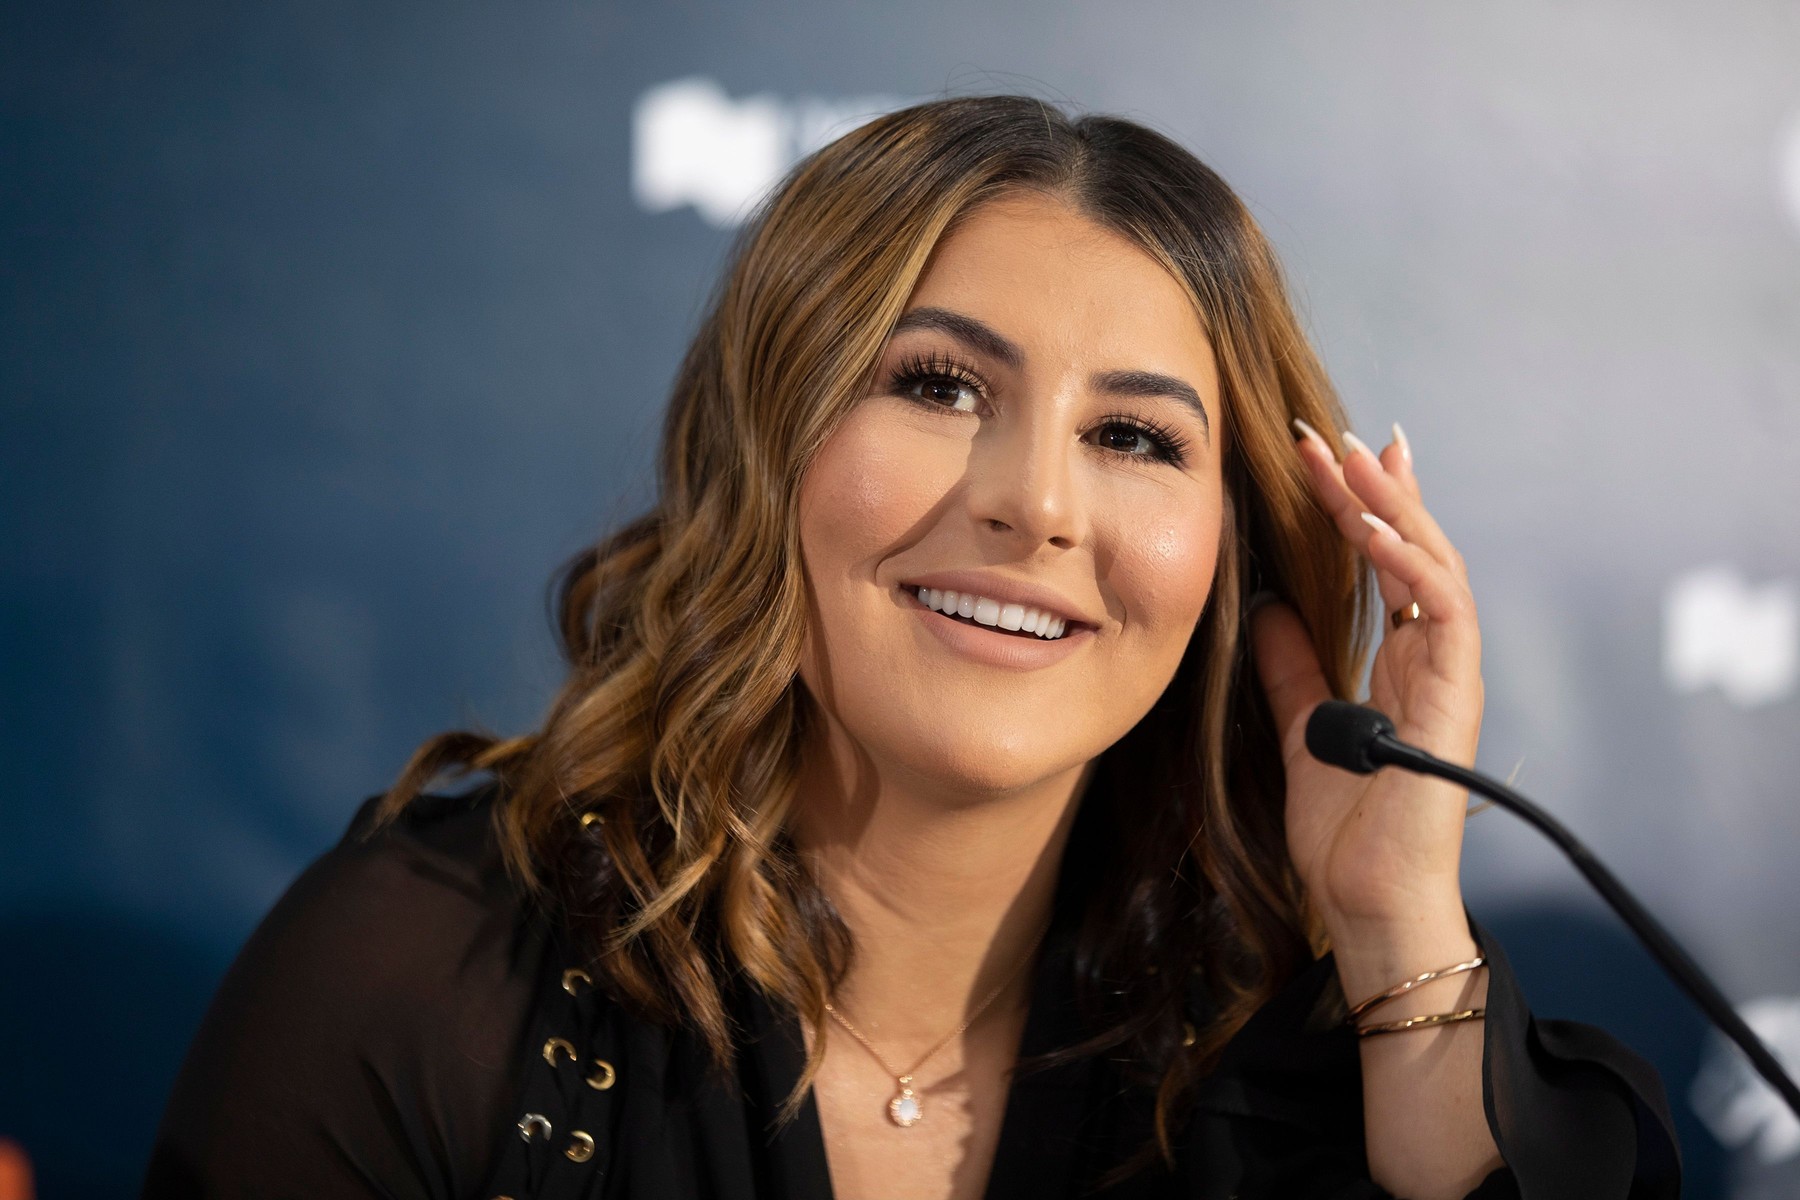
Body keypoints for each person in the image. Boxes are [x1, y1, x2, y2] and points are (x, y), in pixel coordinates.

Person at [143, 95, 1680, 1200]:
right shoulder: (426, 977)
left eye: (1135, 436)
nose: (1035, 504)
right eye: (941, 387)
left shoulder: (1291, 1052)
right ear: (771, 446)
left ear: (1231, 558)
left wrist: (1398, 936)